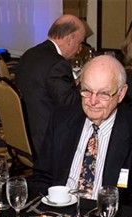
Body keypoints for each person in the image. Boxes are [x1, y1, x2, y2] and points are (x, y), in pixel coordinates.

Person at [31, 55, 132, 213]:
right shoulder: (61, 119)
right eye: (87, 91)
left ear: (121, 94)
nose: (93, 101)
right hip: (59, 215)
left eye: (103, 94)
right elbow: (42, 176)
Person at [14, 14, 84, 151]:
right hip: (47, 139)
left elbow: (48, 87)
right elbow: (71, 105)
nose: (79, 48)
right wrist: (87, 82)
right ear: (70, 39)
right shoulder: (57, 64)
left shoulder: (30, 53)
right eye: (79, 42)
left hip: (25, 130)